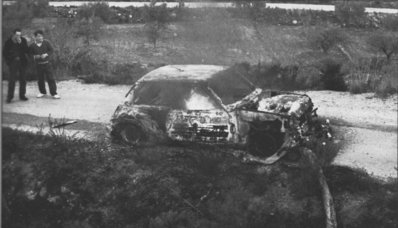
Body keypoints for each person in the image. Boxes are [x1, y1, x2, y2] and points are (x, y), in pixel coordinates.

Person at [29, 30, 60, 99]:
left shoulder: (46, 42)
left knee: (51, 78)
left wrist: (46, 54)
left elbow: (51, 50)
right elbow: (29, 54)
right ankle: (42, 92)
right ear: (35, 37)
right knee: (40, 79)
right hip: (38, 65)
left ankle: (54, 93)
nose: (40, 38)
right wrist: (34, 57)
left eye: (41, 36)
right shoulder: (32, 46)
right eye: (38, 36)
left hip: (47, 64)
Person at [3, 28, 29, 103]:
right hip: (13, 62)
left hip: (22, 62)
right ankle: (10, 97)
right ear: (13, 34)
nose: (18, 36)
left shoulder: (23, 40)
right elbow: (5, 53)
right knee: (12, 80)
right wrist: (9, 62)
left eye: (20, 35)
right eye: (17, 35)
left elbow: (27, 50)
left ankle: (22, 95)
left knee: (23, 79)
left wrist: (21, 43)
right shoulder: (8, 42)